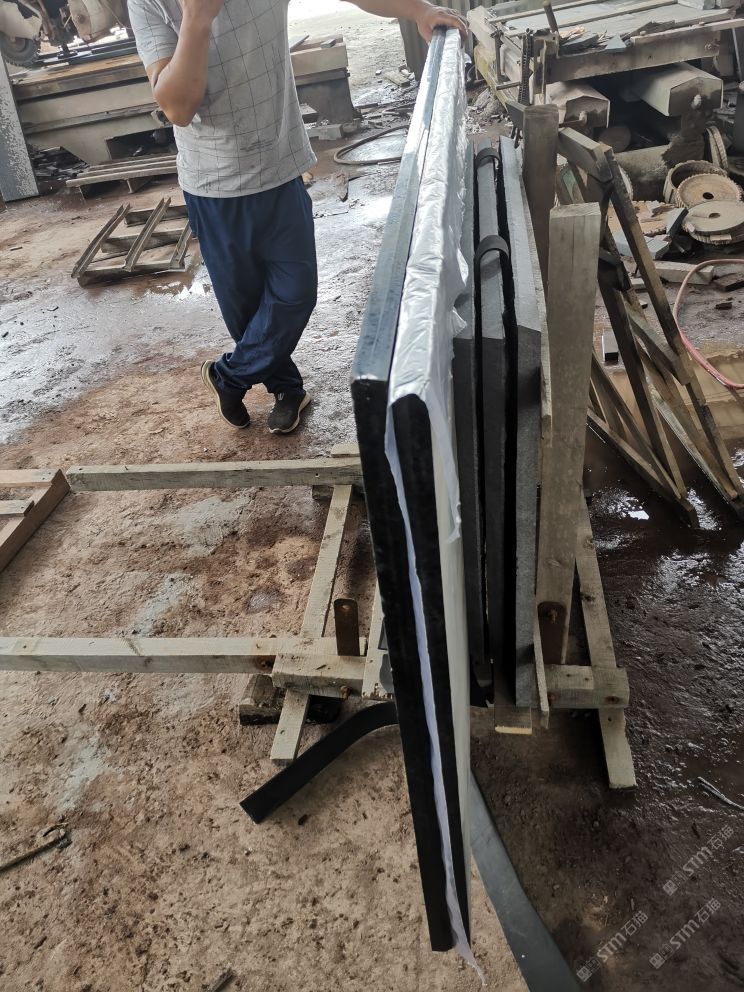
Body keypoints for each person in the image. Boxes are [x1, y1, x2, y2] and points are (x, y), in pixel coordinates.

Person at [128, 0, 467, 434]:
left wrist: (418, 10)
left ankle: (227, 376)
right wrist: (196, 18)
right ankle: (288, 390)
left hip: (279, 170)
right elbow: (178, 108)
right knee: (245, 311)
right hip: (213, 186)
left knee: (295, 295)